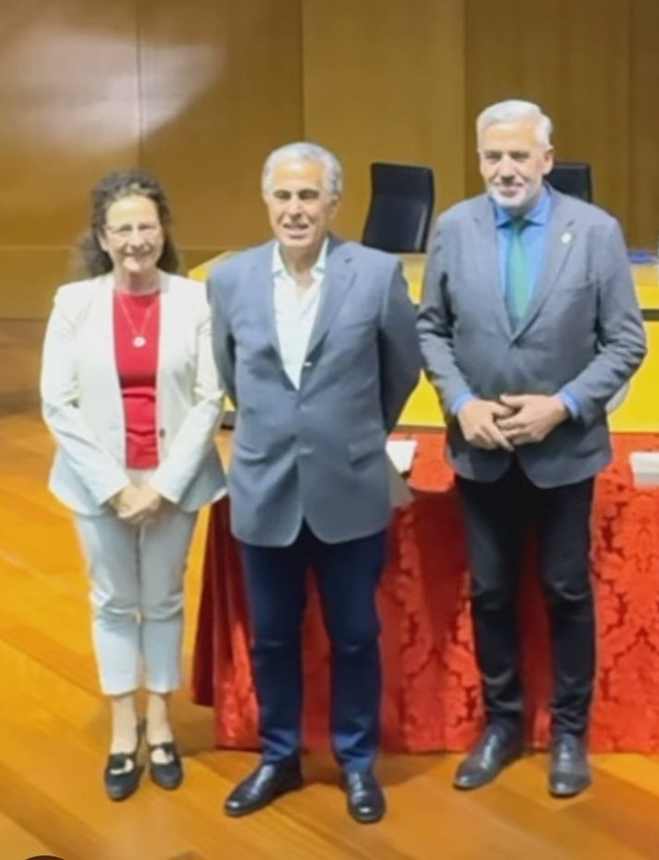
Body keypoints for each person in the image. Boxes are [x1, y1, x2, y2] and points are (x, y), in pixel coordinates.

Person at [417, 99, 647, 798]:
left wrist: (564, 405)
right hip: (480, 448)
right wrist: (461, 403)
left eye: (520, 155)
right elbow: (431, 329)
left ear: (547, 160)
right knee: (489, 591)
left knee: (564, 589)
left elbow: (626, 341)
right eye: (493, 156)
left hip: (563, 451)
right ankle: (502, 725)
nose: (506, 169)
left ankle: (569, 734)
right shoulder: (453, 229)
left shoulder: (596, 232)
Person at [207, 142, 420, 824]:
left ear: (333, 202)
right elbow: (230, 372)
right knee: (271, 637)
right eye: (283, 197)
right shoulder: (231, 279)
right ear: (265, 201)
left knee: (354, 633)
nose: (295, 210)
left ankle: (356, 762)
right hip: (264, 486)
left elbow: (400, 372)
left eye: (308, 197)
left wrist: (352, 435)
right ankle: (279, 756)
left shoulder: (377, 273)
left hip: (349, 486)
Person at [40, 170, 225, 802]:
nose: (137, 239)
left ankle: (164, 723)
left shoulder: (195, 301)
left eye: (147, 226)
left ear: (162, 231)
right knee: (114, 602)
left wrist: (164, 486)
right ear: (102, 236)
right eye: (123, 228)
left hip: (174, 480)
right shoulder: (74, 303)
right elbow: (57, 403)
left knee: (165, 598)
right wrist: (117, 489)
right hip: (99, 484)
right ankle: (125, 728)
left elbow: (209, 397)